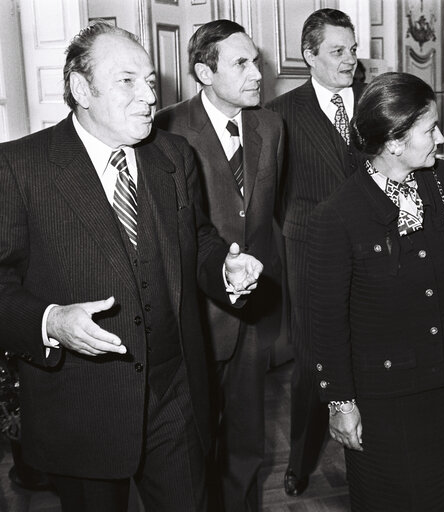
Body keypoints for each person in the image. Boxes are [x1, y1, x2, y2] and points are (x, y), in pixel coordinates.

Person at [0, 22, 263, 512]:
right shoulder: (20, 167)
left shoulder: (173, 155)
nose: (148, 96)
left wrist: (224, 269)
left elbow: (199, 239)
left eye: (150, 81)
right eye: (128, 81)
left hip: (177, 394)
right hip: (85, 407)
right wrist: (50, 320)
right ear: (81, 89)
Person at [309, 71, 444, 512]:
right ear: (393, 142)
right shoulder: (338, 216)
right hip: (384, 399)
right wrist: (340, 402)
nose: (442, 137)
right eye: (430, 129)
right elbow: (325, 321)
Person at [154, 20, 283, 511]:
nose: (258, 74)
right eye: (242, 64)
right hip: (190, 318)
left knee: (248, 442)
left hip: (249, 318)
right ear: (204, 73)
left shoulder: (271, 126)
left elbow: (263, 219)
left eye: (257, 61)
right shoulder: (164, 129)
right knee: (191, 446)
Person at [264, 8, 364, 496]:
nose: (350, 60)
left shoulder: (372, 103)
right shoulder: (281, 114)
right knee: (312, 359)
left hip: (374, 251)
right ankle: (300, 461)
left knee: (371, 347)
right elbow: (269, 194)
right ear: (310, 56)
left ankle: (371, 457)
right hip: (308, 252)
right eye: (338, 51)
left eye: (353, 49)